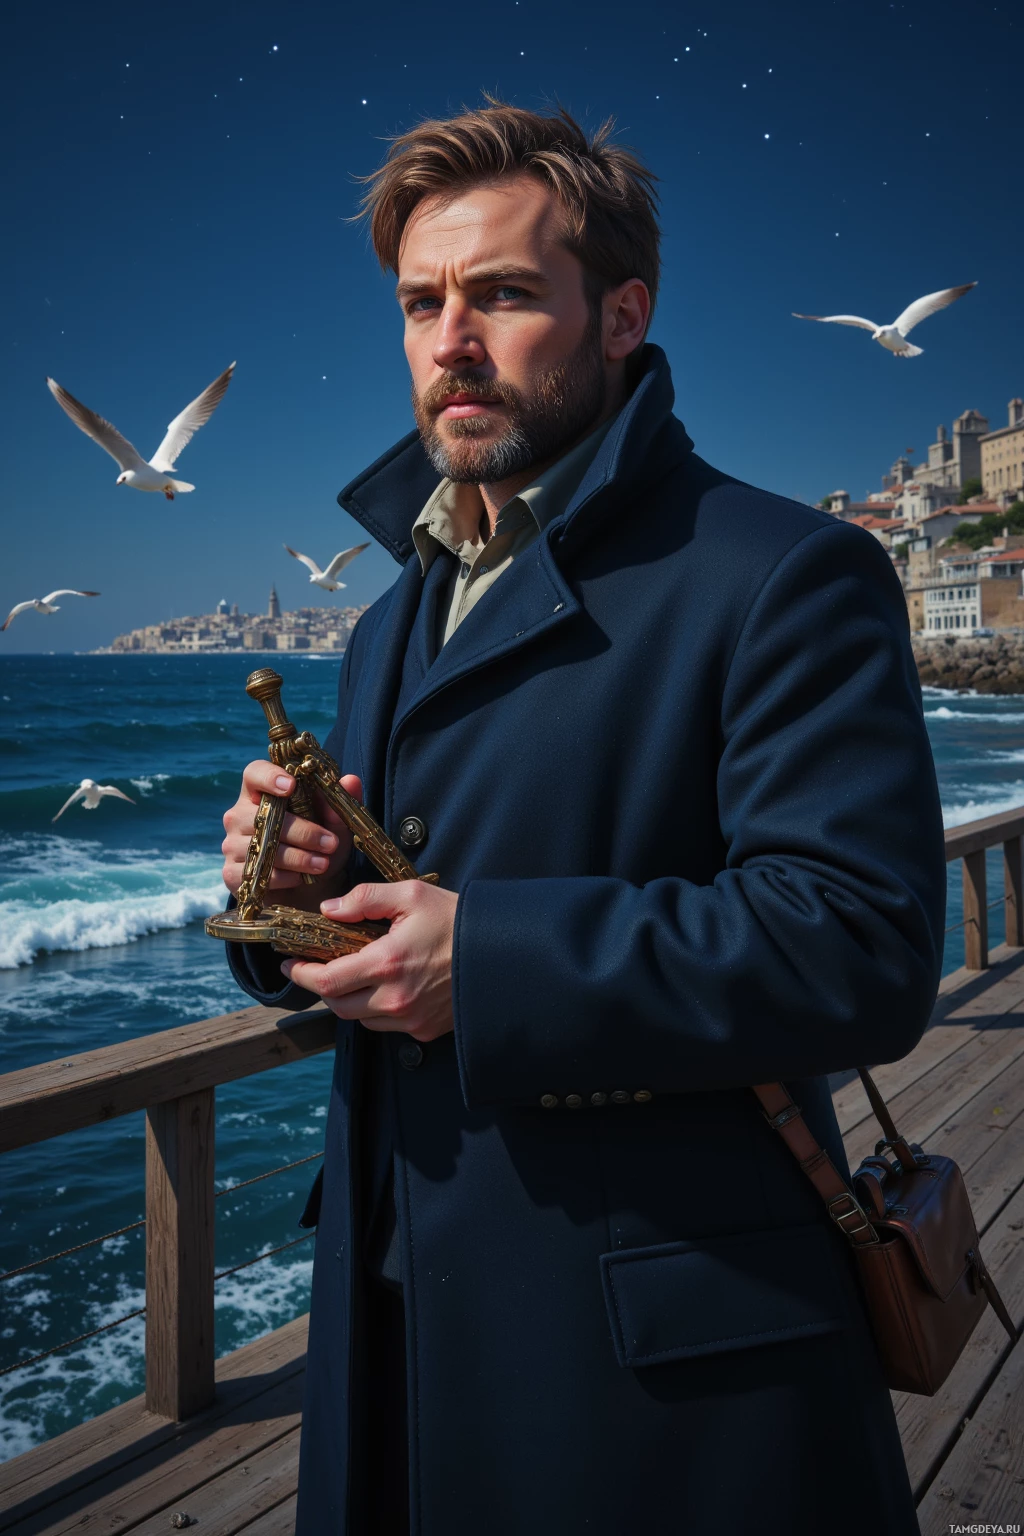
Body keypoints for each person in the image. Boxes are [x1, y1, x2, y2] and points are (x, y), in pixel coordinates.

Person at [219, 102, 945, 1536]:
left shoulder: (786, 571)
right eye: (422, 303)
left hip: (651, 1375)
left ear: (623, 314)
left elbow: (864, 941)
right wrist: (277, 892)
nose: (450, 343)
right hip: (396, 1324)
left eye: (501, 295)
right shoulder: (384, 624)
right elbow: (374, 938)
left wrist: (485, 962)